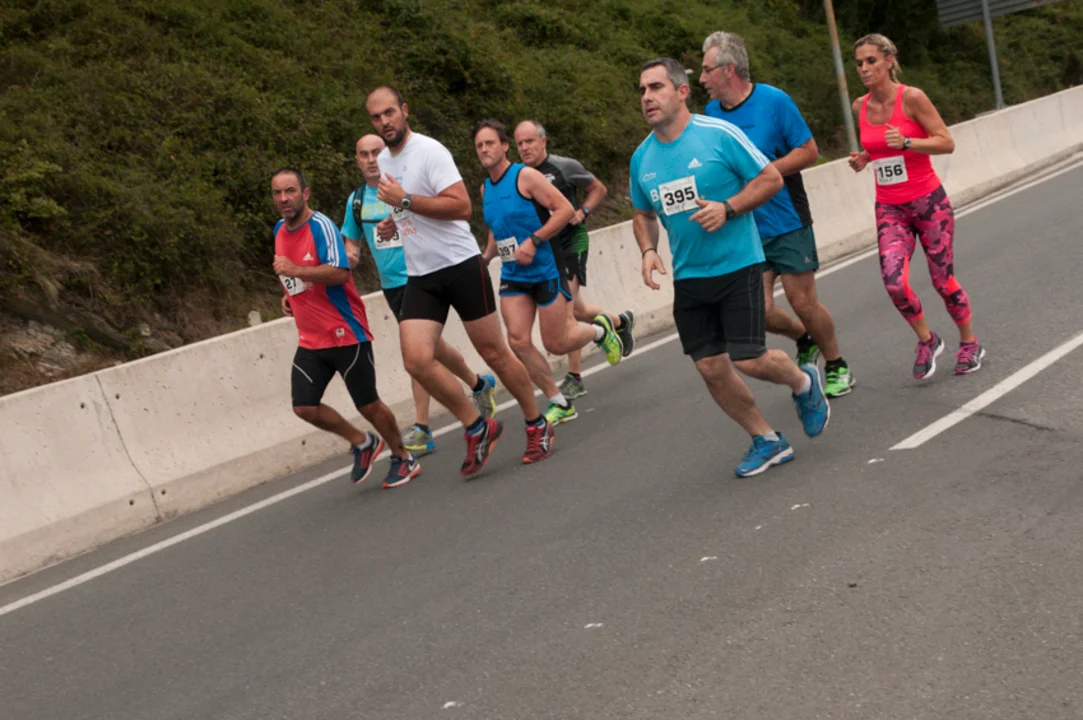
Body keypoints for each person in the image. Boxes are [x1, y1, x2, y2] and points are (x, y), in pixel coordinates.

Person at [629, 58, 830, 478]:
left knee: (749, 359)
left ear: (682, 91)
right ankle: (767, 440)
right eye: (642, 90)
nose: (647, 97)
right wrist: (648, 249)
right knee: (709, 367)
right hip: (689, 277)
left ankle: (804, 383)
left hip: (739, 265)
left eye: (656, 87)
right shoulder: (642, 158)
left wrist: (729, 207)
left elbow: (770, 178)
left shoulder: (718, 134)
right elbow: (643, 213)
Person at [364, 86, 555, 472]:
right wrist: (394, 221)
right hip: (421, 274)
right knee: (416, 361)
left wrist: (404, 201)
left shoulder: (430, 151)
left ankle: (537, 423)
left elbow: (461, 207)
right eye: (376, 117)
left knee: (495, 354)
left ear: (404, 110)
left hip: (460, 265)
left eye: (389, 113)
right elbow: (410, 207)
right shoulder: (384, 159)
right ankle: (477, 426)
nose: (385, 122)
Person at [700, 31, 855, 398]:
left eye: (707, 70)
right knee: (761, 310)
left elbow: (809, 151)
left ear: (728, 70)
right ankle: (804, 338)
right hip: (746, 226)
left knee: (803, 302)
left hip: (786, 219)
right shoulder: (710, 115)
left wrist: (765, 173)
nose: (702, 79)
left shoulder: (774, 101)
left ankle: (836, 364)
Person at [341, 134, 497, 457]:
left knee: (417, 356)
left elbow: (439, 206)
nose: (371, 159)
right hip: (392, 285)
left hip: (421, 275)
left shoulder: (403, 180)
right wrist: (351, 256)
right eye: (363, 154)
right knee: (433, 350)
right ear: (356, 160)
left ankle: (423, 426)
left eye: (376, 152)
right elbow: (351, 241)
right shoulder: (356, 201)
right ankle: (478, 384)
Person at [271, 167, 420, 489]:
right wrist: (288, 294)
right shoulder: (280, 230)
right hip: (311, 339)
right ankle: (363, 442)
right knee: (304, 407)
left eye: (290, 191)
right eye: (278, 193)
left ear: (305, 193)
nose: (284, 198)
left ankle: (403, 456)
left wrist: (297, 270)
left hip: (345, 332)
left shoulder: (321, 226)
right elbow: (293, 275)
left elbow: (339, 273)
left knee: (368, 404)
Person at [849, 34, 984, 378]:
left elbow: (946, 142)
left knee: (943, 281)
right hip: (890, 209)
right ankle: (927, 339)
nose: (864, 68)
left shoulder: (912, 98)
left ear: (889, 59)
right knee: (894, 283)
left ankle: (969, 343)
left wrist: (908, 142)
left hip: (928, 203)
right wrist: (866, 158)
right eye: (859, 63)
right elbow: (880, 148)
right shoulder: (859, 106)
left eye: (871, 61)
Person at [474, 119, 624, 426]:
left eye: (490, 143)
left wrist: (534, 240)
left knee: (556, 343)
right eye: (479, 145)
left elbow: (565, 210)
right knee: (517, 341)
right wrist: (486, 257)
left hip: (546, 267)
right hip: (514, 273)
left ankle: (601, 331)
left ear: (504, 147)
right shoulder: (485, 188)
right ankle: (559, 401)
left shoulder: (526, 176)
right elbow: (496, 227)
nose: (484, 149)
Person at [513, 120, 636, 400]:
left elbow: (598, 188)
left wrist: (584, 211)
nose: (525, 148)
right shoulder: (519, 176)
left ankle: (575, 377)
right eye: (520, 143)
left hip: (572, 243)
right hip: (548, 249)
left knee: (566, 316)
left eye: (529, 141)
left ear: (543, 141)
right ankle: (620, 322)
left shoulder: (564, 166)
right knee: (579, 311)